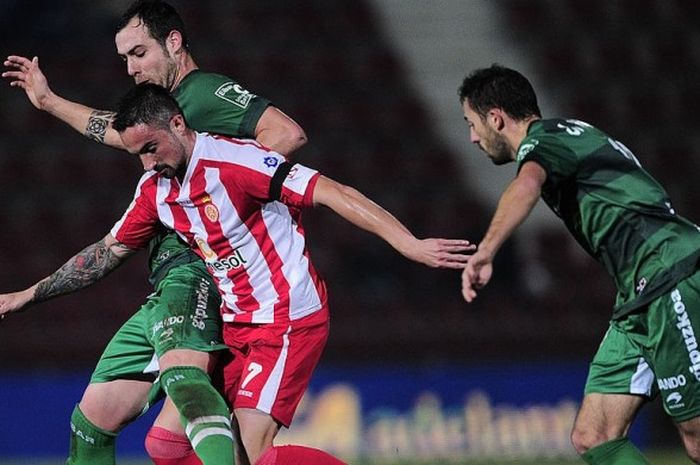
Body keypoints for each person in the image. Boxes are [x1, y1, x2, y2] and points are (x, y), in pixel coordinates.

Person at [2, 1, 308, 464]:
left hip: (195, 272)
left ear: (174, 42)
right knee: (98, 424)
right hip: (167, 279)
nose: (131, 67)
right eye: (124, 58)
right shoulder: (162, 114)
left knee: (192, 396)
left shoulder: (204, 92)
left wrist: (222, 205)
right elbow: (116, 130)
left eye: (139, 53)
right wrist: (49, 102)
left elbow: (285, 135)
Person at [112, 82, 471, 463]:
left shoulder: (236, 162)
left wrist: (408, 243)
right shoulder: (159, 187)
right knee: (166, 445)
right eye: (138, 155)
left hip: (285, 319)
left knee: (249, 453)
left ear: (179, 124)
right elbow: (108, 249)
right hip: (234, 324)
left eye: (151, 148)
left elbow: (334, 192)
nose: (148, 164)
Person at [458, 64, 700, 465]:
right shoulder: (573, 132)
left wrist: (487, 249)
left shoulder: (544, 142)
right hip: (638, 294)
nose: (471, 137)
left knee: (695, 441)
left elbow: (527, 185)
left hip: (668, 272)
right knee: (595, 435)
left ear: (495, 118)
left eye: (471, 123)